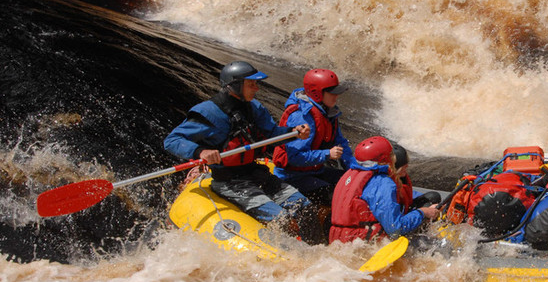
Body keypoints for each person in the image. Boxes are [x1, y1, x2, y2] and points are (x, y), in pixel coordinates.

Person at [164, 60, 311, 224]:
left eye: (256, 83)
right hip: (230, 182)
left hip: (255, 173)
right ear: (233, 86)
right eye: (251, 84)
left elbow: (271, 134)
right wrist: (201, 152)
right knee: (281, 219)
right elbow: (172, 140)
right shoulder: (209, 112)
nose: (256, 88)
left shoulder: (254, 107)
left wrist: (293, 132)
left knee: (304, 207)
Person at [329, 136, 439, 243]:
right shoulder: (383, 183)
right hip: (366, 241)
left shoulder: (350, 175)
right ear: (385, 158)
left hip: (339, 240)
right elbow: (395, 230)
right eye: (391, 154)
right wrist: (423, 212)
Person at [272, 69, 354, 204]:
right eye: (332, 93)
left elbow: (341, 143)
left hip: (315, 171)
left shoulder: (329, 112)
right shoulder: (302, 117)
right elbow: (295, 157)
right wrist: (327, 154)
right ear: (317, 93)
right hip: (292, 177)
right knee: (334, 194)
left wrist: (354, 169)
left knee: (352, 183)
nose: (336, 97)